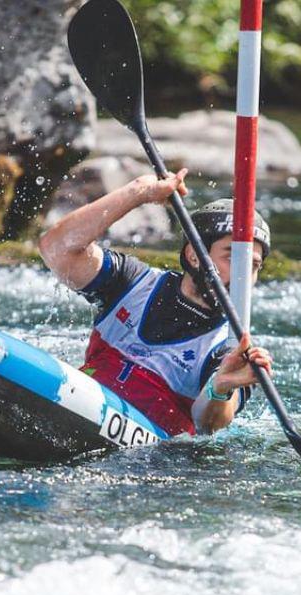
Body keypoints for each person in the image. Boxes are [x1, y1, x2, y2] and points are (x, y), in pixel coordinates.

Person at [39, 168, 273, 437]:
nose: (245, 277)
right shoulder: (132, 283)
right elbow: (56, 248)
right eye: (233, 259)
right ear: (194, 256)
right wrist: (139, 192)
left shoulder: (233, 349)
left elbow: (208, 424)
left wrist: (219, 389)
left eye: (254, 266)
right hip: (72, 415)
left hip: (150, 464)